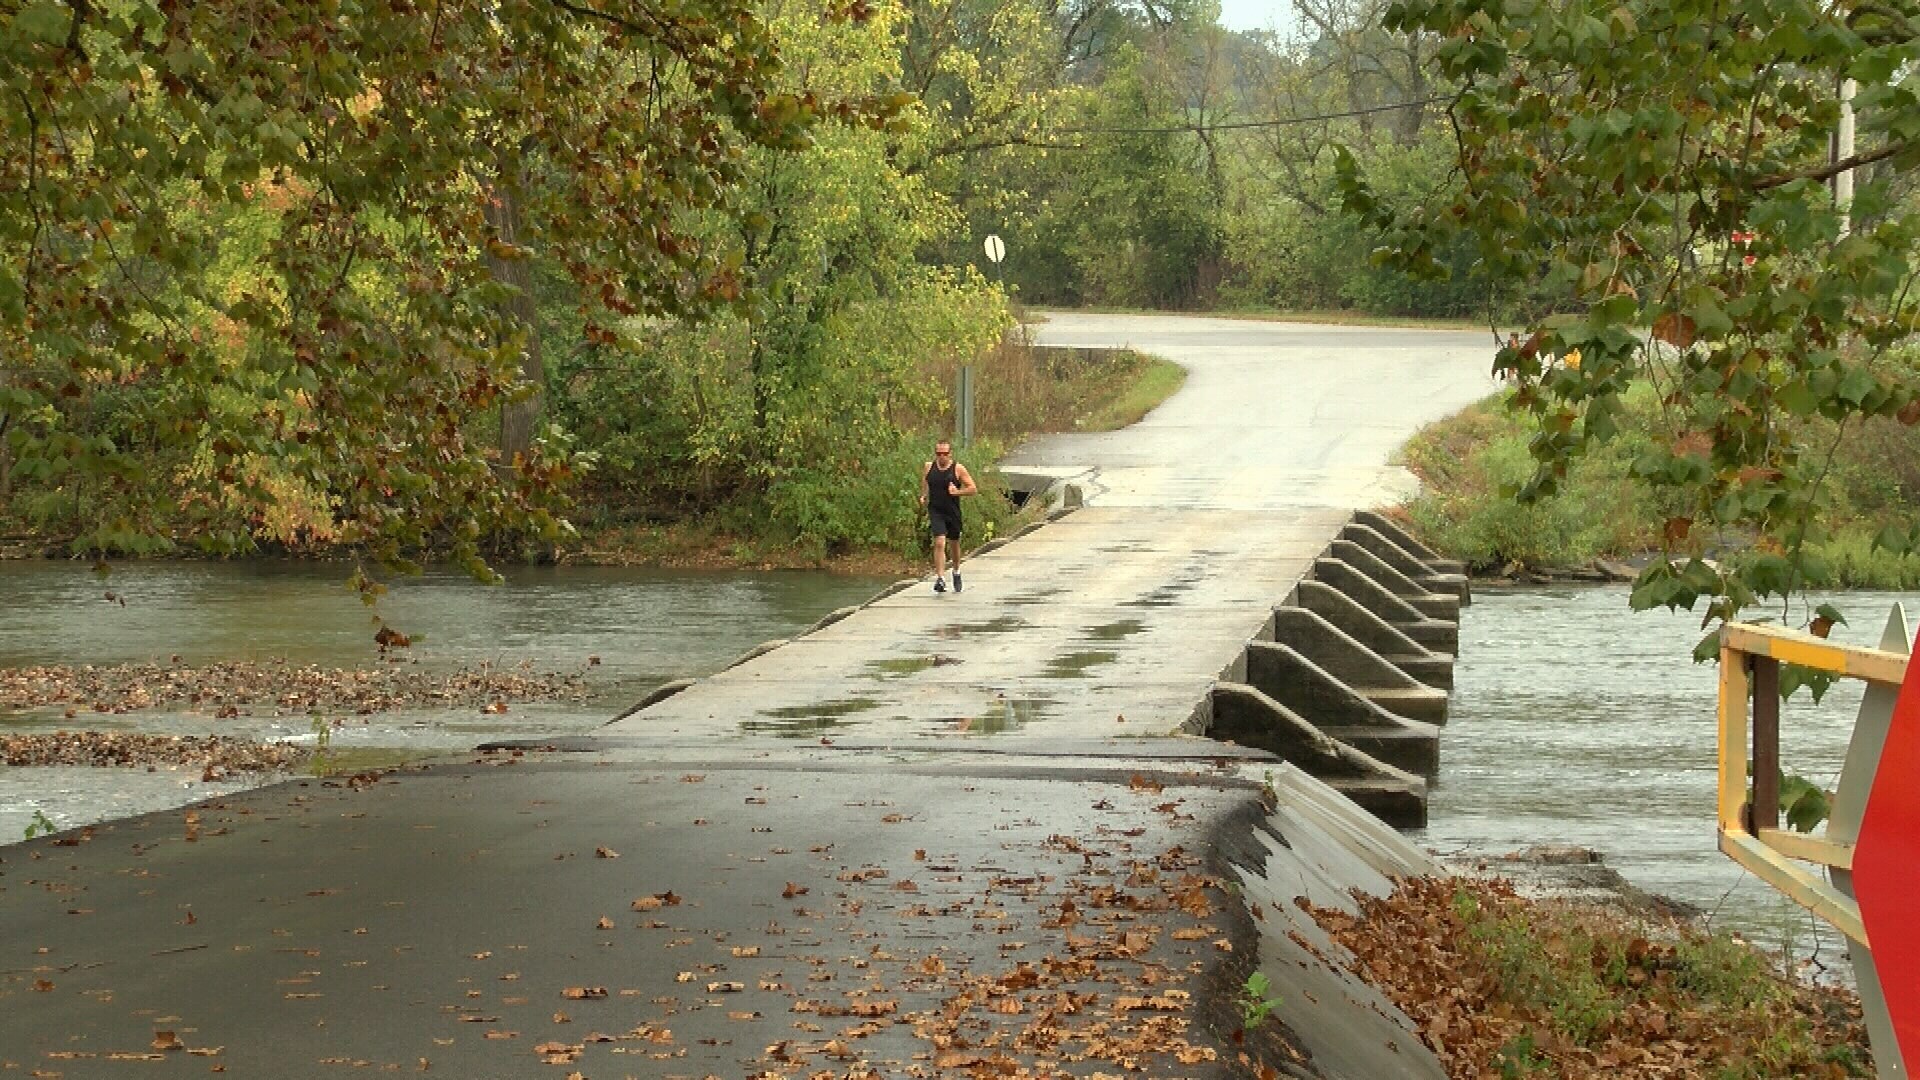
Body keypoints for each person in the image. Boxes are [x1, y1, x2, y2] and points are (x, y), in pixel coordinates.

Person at [919, 439, 977, 593]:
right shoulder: (928, 467)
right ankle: (940, 578)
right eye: (938, 453)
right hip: (936, 510)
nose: (941, 457)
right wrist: (923, 496)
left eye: (945, 453)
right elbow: (925, 482)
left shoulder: (957, 469)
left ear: (950, 454)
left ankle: (956, 570)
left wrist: (957, 492)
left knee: (954, 544)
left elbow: (972, 489)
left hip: (952, 512)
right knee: (939, 542)